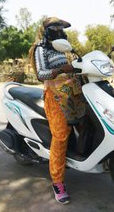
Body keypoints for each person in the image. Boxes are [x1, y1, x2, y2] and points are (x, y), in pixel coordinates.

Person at [28, 17, 86, 204]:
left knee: (86, 122)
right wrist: (61, 69)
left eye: (62, 27)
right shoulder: (40, 48)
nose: (60, 30)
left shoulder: (62, 47)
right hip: (54, 95)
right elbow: (40, 74)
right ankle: (58, 182)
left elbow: (75, 65)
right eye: (56, 27)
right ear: (47, 30)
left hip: (72, 92)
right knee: (60, 135)